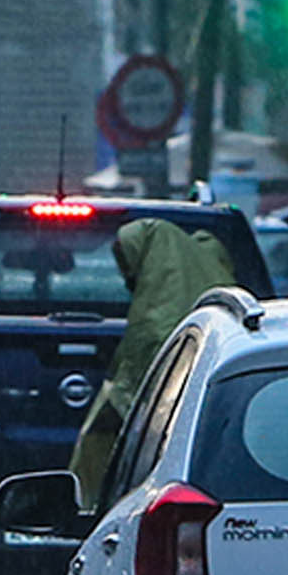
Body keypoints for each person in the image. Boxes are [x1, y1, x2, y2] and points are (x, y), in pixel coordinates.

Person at [67, 218, 236, 509]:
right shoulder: (209, 285)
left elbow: (131, 383)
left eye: (125, 261)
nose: (125, 276)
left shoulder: (156, 315)